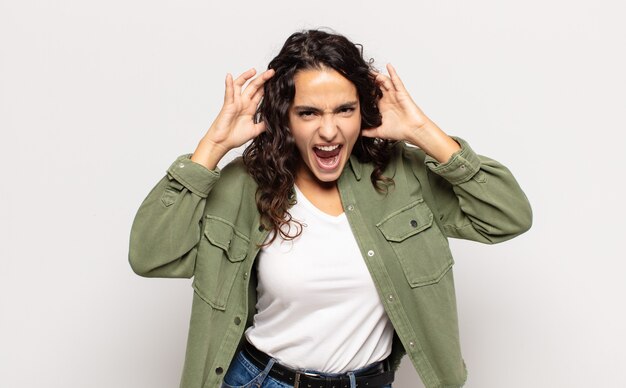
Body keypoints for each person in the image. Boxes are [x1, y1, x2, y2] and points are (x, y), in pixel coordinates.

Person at [129, 29, 532, 388]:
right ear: (284, 118)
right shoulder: (245, 184)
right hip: (262, 380)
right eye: (308, 112)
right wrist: (211, 149)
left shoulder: (402, 177)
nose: (328, 130)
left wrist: (423, 132)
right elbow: (150, 256)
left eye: (344, 109)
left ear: (364, 110)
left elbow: (507, 216)